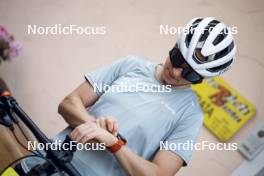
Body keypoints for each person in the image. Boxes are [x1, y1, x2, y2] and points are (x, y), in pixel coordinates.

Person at [21, 17, 236, 176]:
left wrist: (114, 143)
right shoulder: (131, 65)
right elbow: (68, 103)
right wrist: (95, 128)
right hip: (41, 165)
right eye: (177, 57)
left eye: (189, 73)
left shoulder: (190, 114)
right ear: (175, 45)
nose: (177, 72)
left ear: (202, 79)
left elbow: (158, 174)